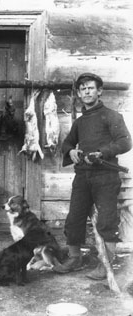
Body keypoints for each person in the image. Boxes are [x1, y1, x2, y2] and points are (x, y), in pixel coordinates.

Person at [53, 73, 132, 279]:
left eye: (90, 88)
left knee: (106, 220)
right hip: (83, 176)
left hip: (105, 176)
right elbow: (67, 143)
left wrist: (102, 153)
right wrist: (71, 151)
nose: (87, 92)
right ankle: (75, 258)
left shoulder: (112, 116)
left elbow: (125, 142)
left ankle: (106, 264)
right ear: (79, 94)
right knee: (75, 218)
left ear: (99, 91)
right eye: (83, 89)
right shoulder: (80, 122)